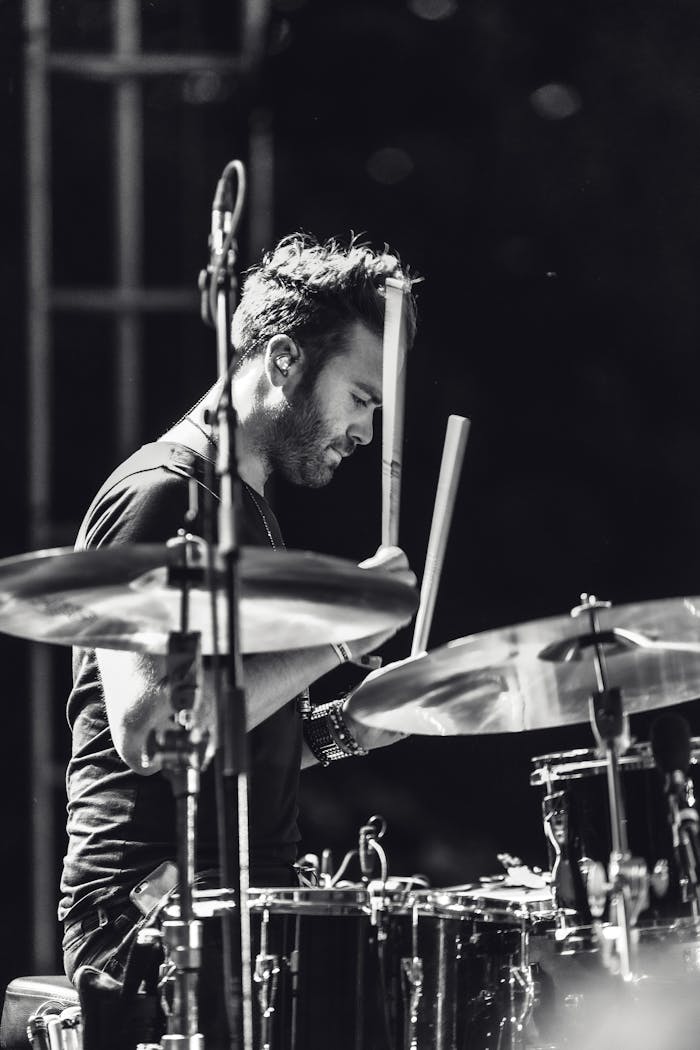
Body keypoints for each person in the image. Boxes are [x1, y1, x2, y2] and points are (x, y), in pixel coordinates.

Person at [58, 233, 418, 1042]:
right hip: (153, 918)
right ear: (285, 357)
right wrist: (335, 634)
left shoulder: (247, 510)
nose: (366, 432)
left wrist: (340, 731)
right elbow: (153, 730)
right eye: (360, 398)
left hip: (240, 907)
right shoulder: (163, 496)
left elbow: (232, 736)